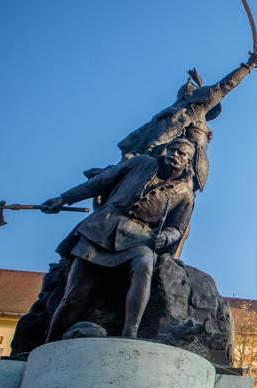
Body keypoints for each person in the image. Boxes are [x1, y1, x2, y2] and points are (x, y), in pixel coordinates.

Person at [40, 139, 197, 341]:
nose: (175, 155)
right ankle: (49, 343)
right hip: (101, 228)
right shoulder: (141, 163)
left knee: (144, 264)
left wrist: (166, 237)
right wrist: (64, 198)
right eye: (173, 149)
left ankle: (130, 331)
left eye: (182, 154)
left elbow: (178, 227)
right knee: (74, 296)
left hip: (140, 237)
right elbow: (101, 181)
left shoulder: (184, 194)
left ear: (188, 162)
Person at [117, 51, 257, 191]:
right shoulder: (169, 113)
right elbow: (224, 86)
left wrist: (249, 65)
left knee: (184, 195)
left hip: (181, 167)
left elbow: (224, 86)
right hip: (157, 160)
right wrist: (249, 66)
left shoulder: (192, 108)